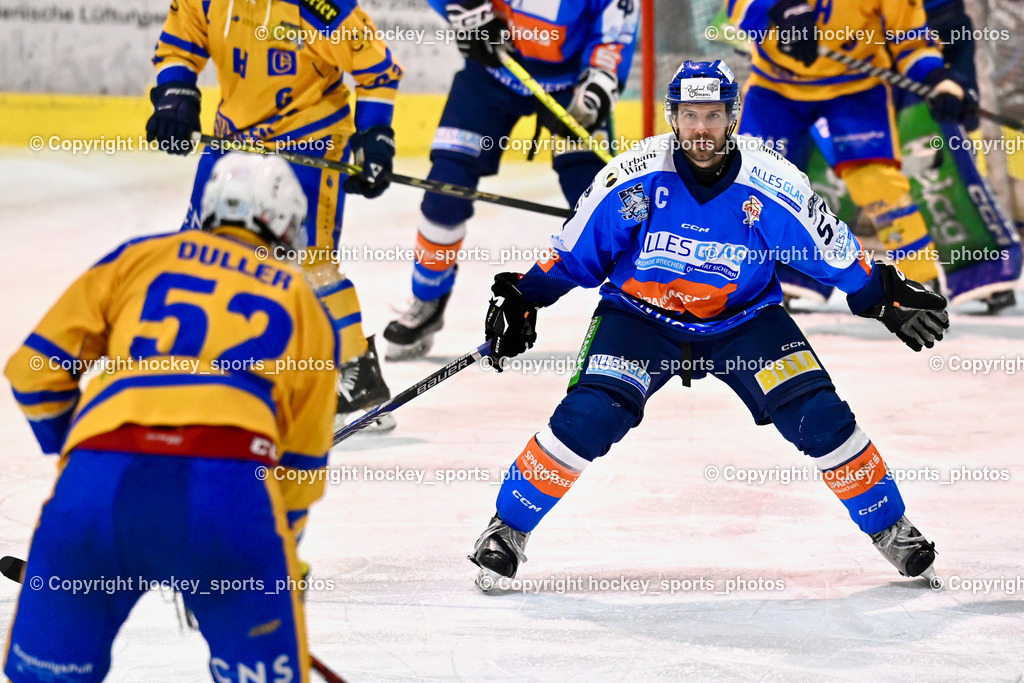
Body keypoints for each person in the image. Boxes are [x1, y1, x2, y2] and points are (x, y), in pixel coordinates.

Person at [468, 60, 947, 591]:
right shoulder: (632, 177)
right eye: (690, 115)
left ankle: (891, 528)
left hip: (743, 321)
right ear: (672, 116)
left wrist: (880, 295)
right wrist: (525, 296)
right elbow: (575, 253)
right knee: (588, 415)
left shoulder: (772, 183)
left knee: (820, 416)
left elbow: (828, 248)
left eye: (713, 116)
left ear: (733, 117)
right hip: (641, 316)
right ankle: (507, 528)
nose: (701, 129)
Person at [3, 154, 337, 682]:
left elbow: (32, 373)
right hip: (229, 497)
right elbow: (301, 462)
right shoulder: (302, 300)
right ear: (286, 222)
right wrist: (271, 554)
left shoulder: (141, 256)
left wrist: (81, 454)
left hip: (96, 484)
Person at [147, 0, 402, 427]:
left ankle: (353, 377)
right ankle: (195, 369)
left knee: (306, 262)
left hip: (309, 141)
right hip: (232, 138)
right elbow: (179, 43)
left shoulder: (322, 8)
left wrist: (375, 137)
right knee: (199, 251)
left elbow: (378, 70)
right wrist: (176, 95)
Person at [382, 0, 639, 360]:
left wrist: (594, 91)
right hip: (493, 70)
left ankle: (643, 312)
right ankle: (427, 298)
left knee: (598, 201)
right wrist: (469, 12)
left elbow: (616, 32)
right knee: (445, 189)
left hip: (570, 84)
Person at [727, 0, 976, 304]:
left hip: (855, 89)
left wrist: (940, 81)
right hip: (775, 88)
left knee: (877, 182)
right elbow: (738, 8)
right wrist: (781, 8)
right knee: (749, 180)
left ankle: (920, 280)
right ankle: (729, 280)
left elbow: (910, 42)